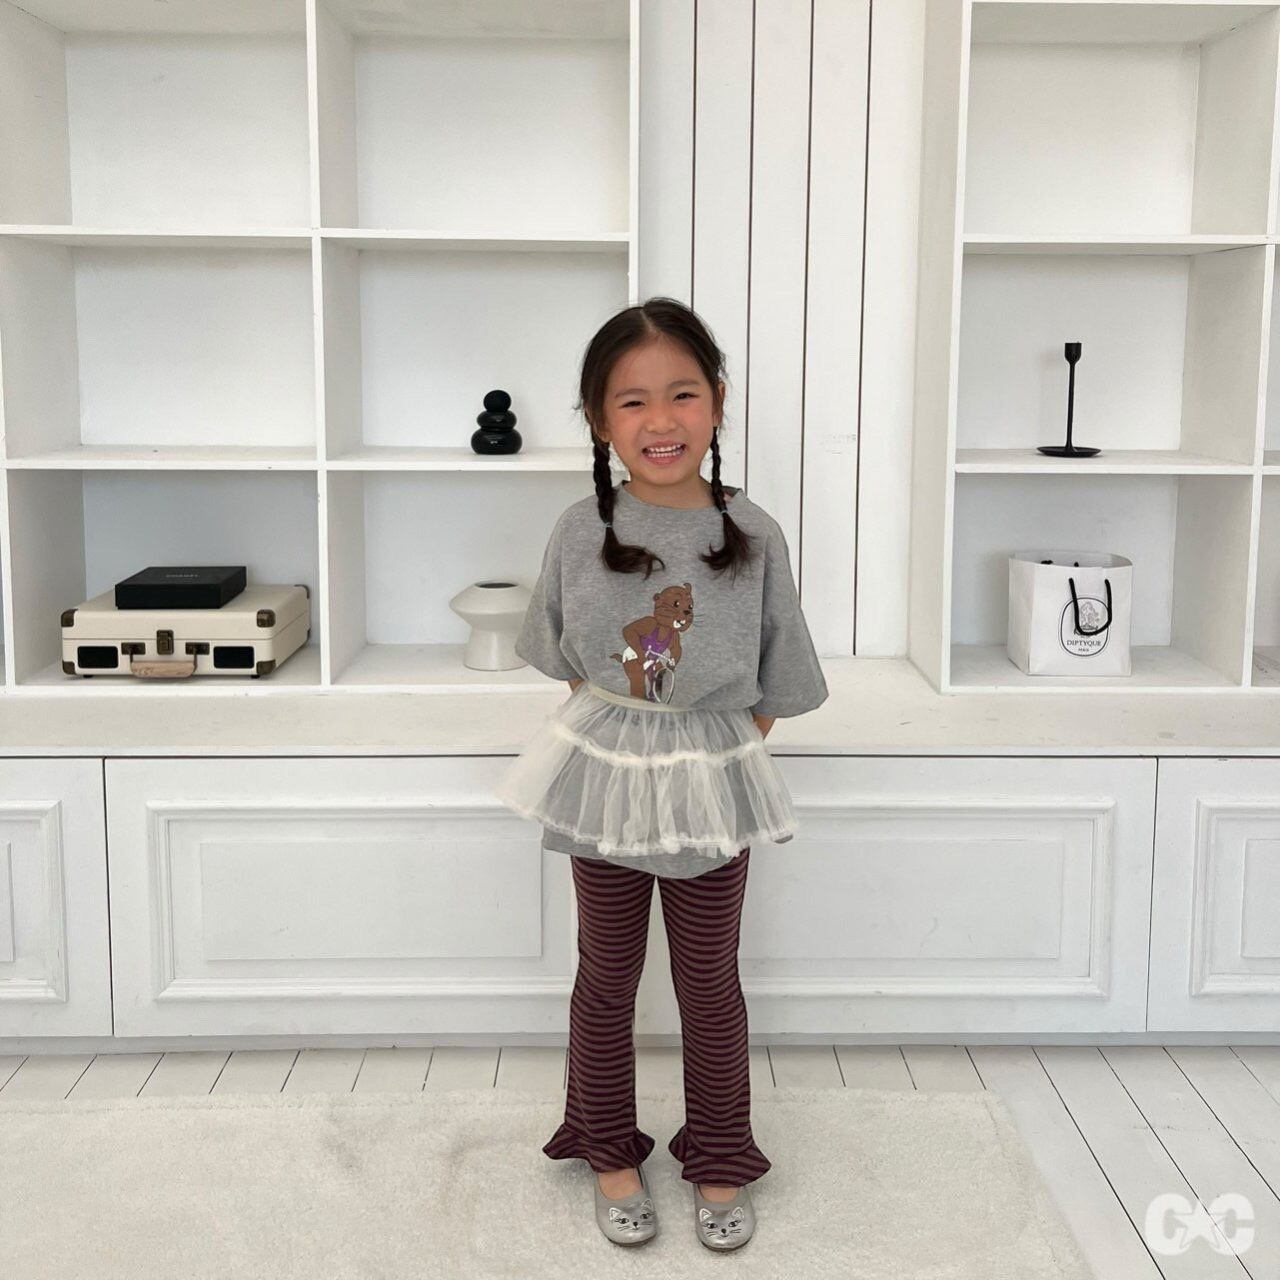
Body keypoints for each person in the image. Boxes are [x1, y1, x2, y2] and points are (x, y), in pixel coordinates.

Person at [493, 296, 828, 1250]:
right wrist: (632, 737)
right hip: (602, 783)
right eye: (632, 401)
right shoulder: (577, 530)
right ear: (600, 420)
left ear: (716, 401)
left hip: (711, 786)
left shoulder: (754, 533)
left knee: (709, 980)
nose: (661, 420)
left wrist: (707, 754)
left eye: (682, 394)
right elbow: (567, 658)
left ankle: (720, 1155)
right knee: (606, 974)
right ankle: (607, 1148)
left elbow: (776, 677)